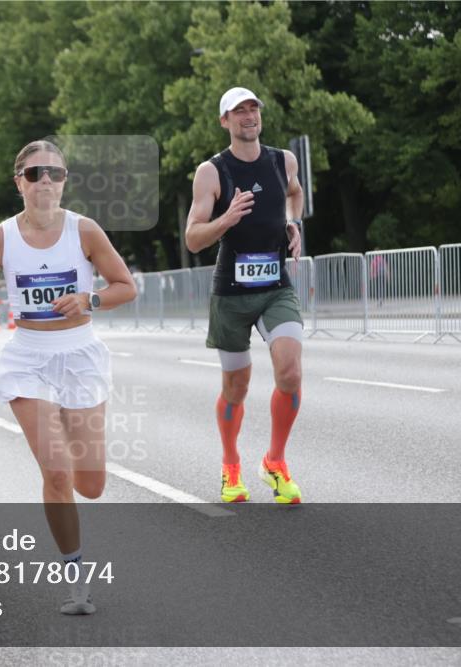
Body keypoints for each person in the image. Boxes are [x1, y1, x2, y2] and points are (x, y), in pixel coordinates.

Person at [0, 140, 137, 615]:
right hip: (28, 358)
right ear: (19, 181)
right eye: (36, 173)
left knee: (92, 484)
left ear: (65, 182)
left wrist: (89, 300)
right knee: (56, 473)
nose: (46, 182)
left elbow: (126, 287)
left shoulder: (84, 230)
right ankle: (76, 577)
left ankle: (73, 441)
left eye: (55, 174)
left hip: (80, 355)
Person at [185, 87, 306, 505]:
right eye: (239, 111)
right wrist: (227, 218)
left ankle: (274, 461)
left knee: (289, 373)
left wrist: (294, 224)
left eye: (253, 108)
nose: (248, 116)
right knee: (236, 387)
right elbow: (193, 238)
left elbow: (294, 193)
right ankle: (231, 464)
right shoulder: (212, 172)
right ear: (225, 121)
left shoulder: (281, 161)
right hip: (231, 294)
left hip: (275, 287)